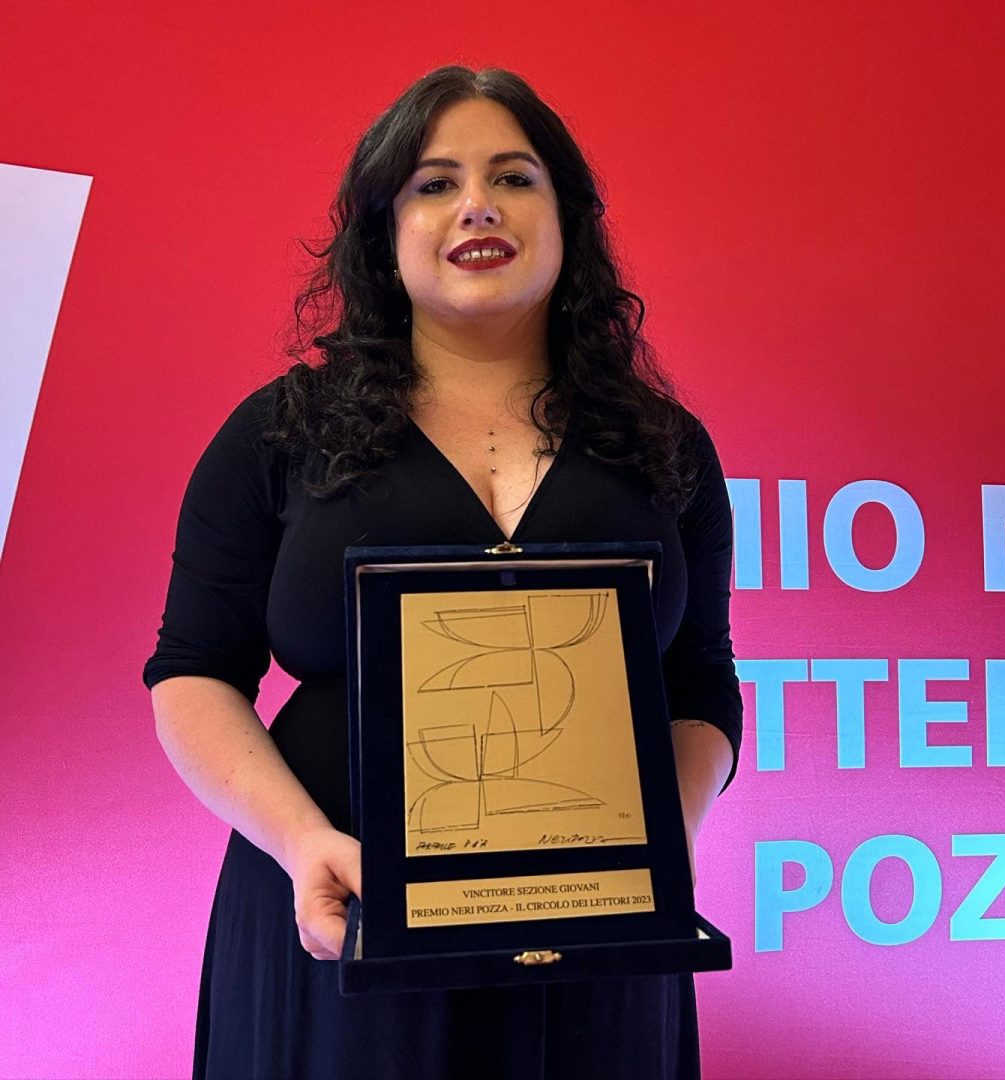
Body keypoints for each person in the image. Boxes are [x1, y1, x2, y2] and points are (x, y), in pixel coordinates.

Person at [144, 65, 742, 1080]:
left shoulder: (665, 446)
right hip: (339, 922)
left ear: (567, 218)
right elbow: (193, 671)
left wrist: (658, 843)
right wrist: (300, 843)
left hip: (597, 936)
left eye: (513, 177)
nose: (477, 205)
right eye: (434, 183)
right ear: (385, 229)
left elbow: (700, 681)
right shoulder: (279, 433)